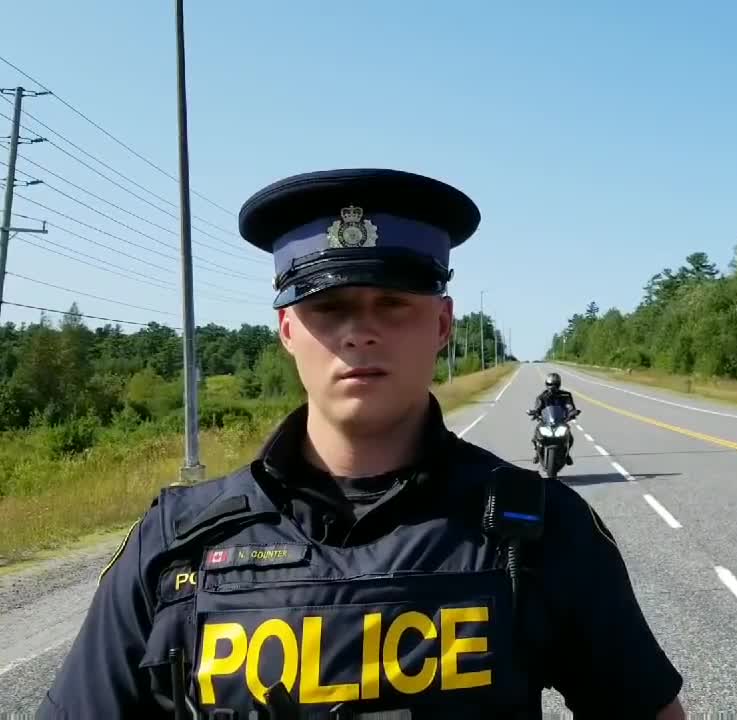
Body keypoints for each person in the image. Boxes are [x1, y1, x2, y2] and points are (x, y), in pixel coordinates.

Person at [36, 168, 686, 720]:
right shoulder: (176, 543)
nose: (359, 334)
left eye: (392, 304)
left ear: (441, 324)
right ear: (288, 328)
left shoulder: (541, 529)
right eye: (330, 307)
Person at [527, 373, 579, 465]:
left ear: (559, 384)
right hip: (546, 421)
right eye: (550, 384)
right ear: (546, 384)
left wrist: (572, 412)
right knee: (536, 436)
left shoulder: (566, 395)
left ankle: (567, 455)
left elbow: (570, 406)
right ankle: (537, 454)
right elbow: (538, 407)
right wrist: (534, 412)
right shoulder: (542, 396)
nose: (552, 387)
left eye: (555, 384)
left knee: (570, 438)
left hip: (561, 421)